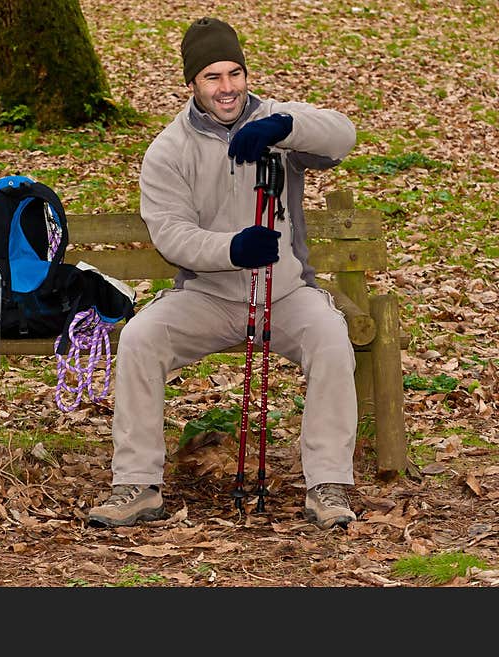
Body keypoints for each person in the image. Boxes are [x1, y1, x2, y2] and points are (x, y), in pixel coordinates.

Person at [88, 17, 359, 530]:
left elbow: (342, 137)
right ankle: (137, 484)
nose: (227, 87)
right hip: (207, 296)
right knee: (142, 337)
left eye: (235, 72)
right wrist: (232, 248)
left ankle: (327, 485)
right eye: (212, 76)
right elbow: (170, 235)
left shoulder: (277, 121)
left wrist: (285, 127)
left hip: (284, 294)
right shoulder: (169, 150)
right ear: (192, 82)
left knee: (330, 337)